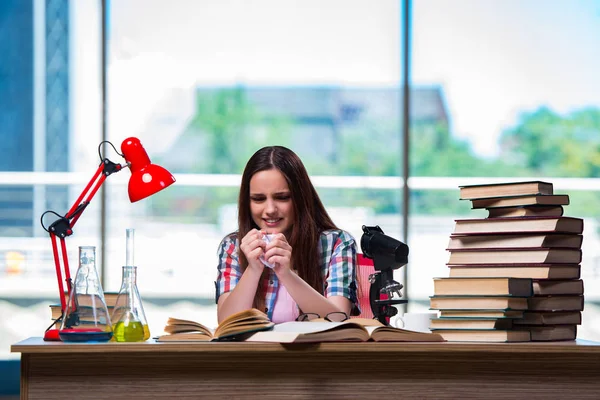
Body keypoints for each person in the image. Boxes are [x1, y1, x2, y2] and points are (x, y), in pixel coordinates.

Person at [215, 146, 359, 324]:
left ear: (300, 197)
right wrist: (253, 270)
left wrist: (287, 274)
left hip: (315, 352)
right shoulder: (233, 246)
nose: (270, 210)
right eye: (258, 199)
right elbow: (225, 325)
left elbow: (339, 320)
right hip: (253, 352)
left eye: (282, 197)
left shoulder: (337, 243)